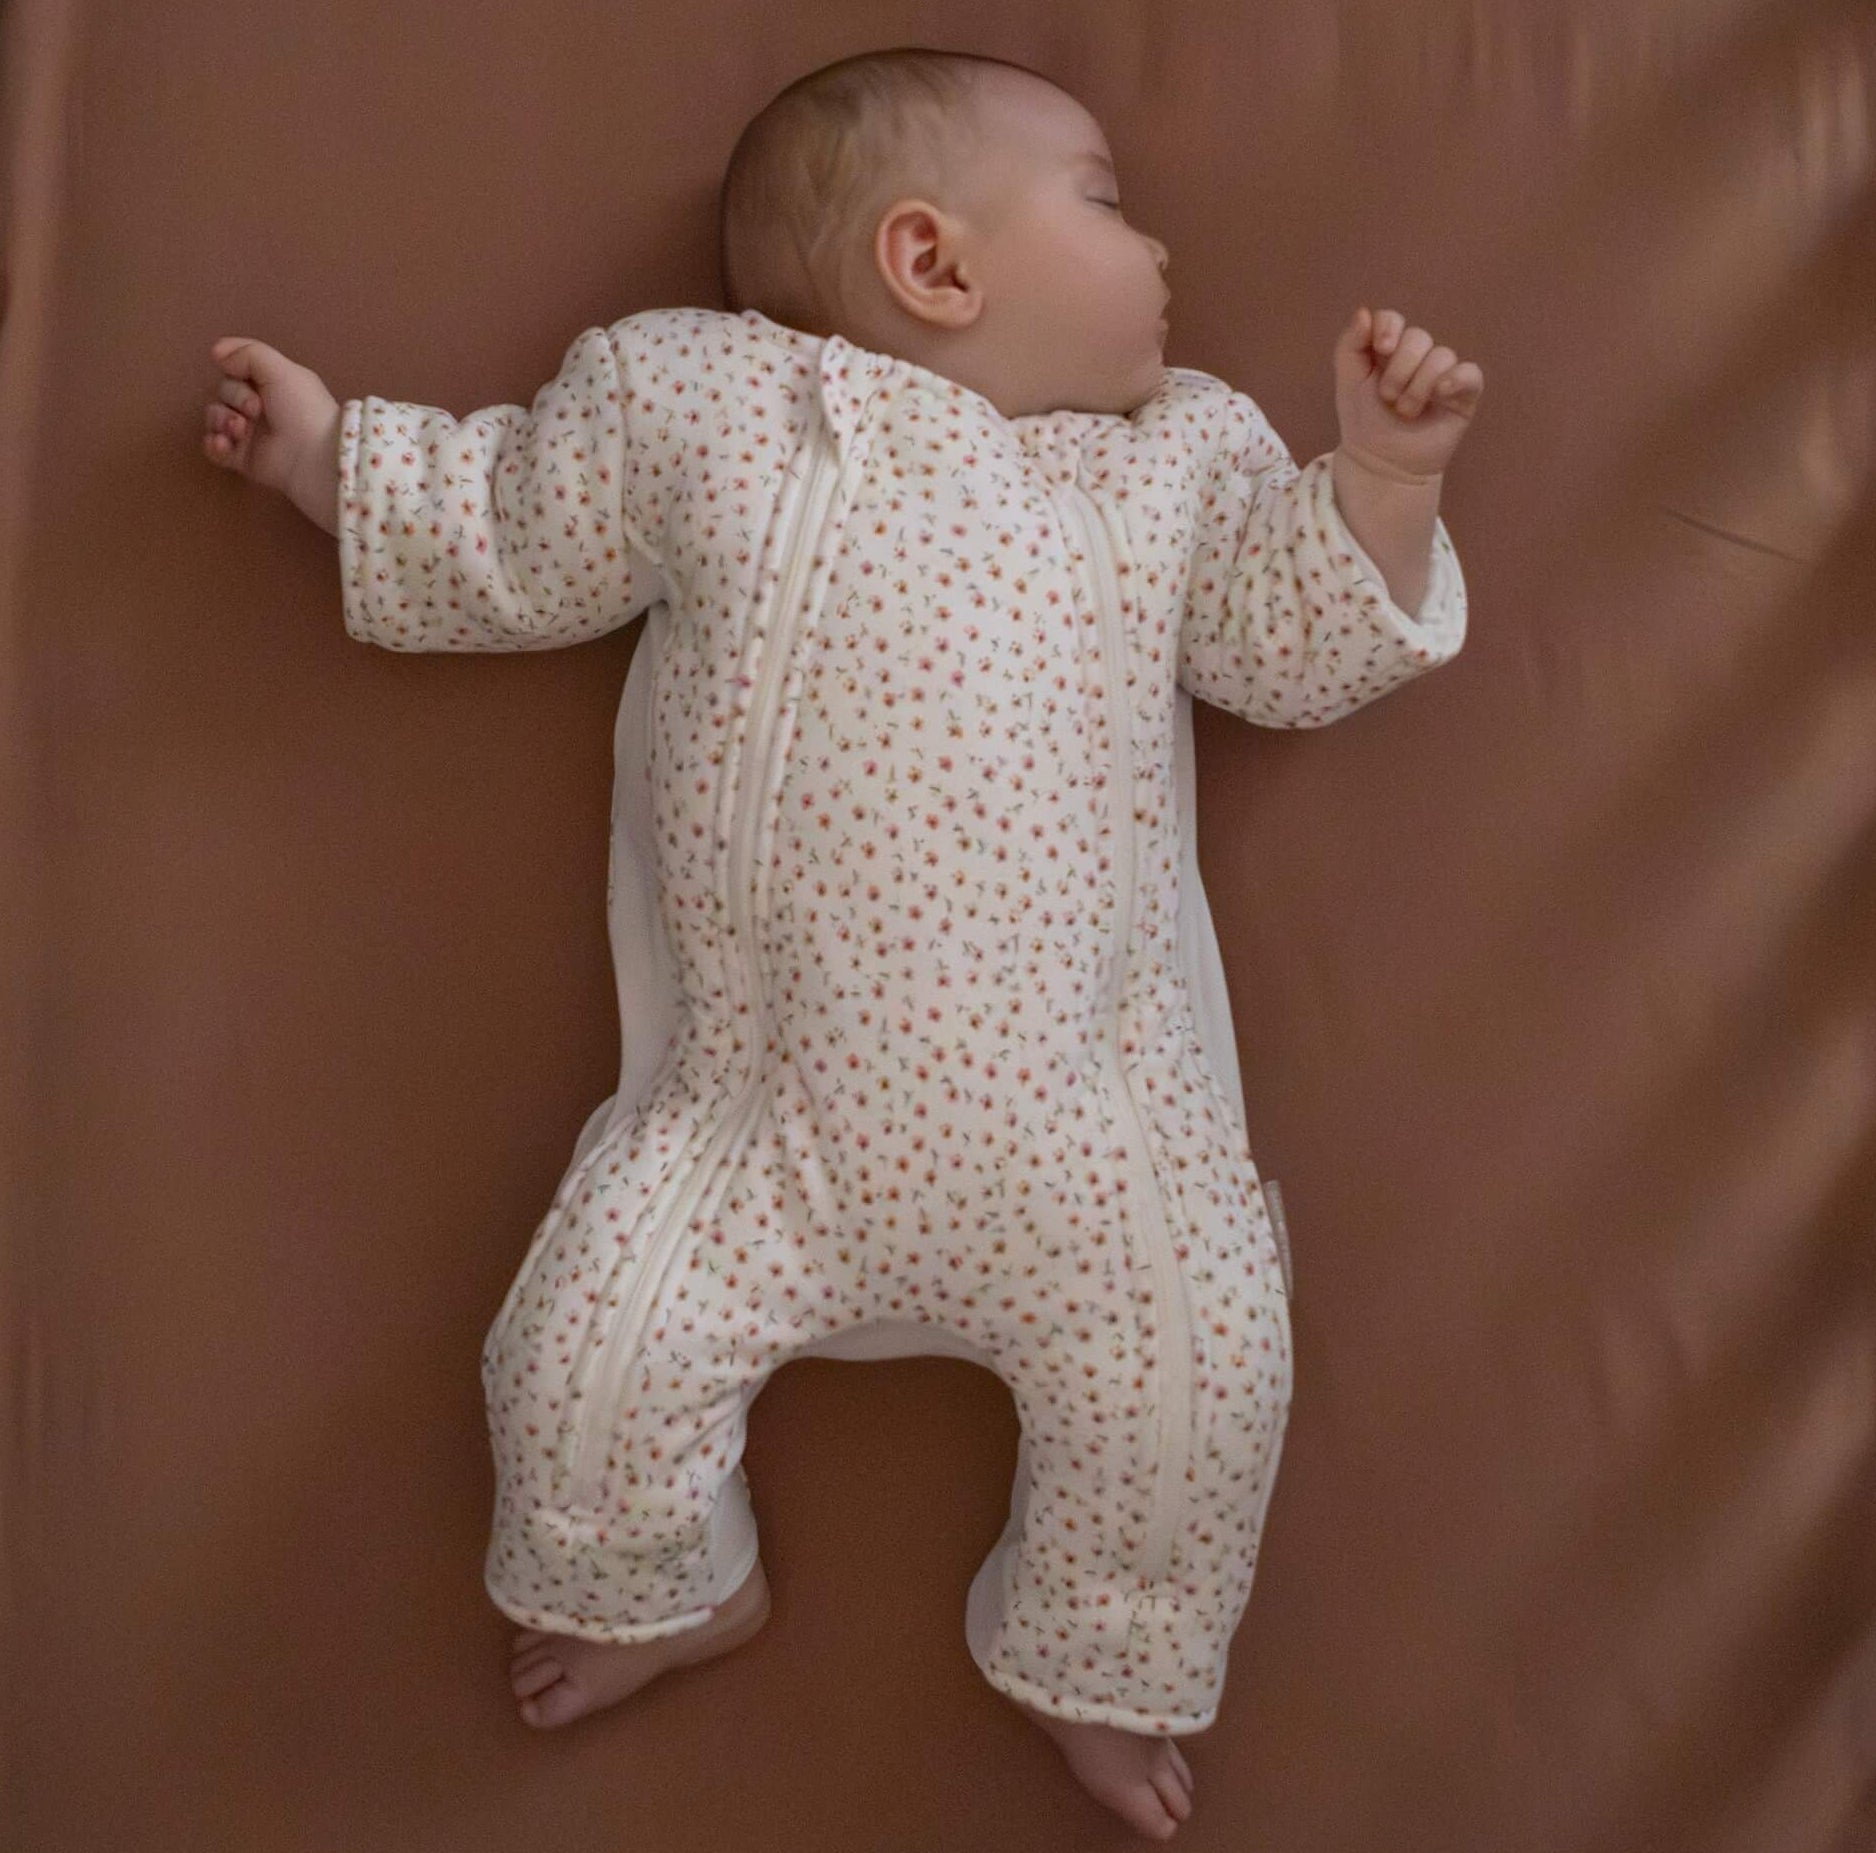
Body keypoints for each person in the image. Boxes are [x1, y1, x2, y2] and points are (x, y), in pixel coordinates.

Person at [200, 46, 1482, 1842]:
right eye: (1110, 204)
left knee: (1211, 1370)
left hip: (1095, 1143)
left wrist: (1387, 475)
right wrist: (340, 461)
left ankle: (1096, 1655)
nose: (1166, 249)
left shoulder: (1172, 460)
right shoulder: (708, 405)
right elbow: (514, 526)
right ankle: (677, 1583)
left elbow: (1287, 645)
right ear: (932, 265)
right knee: (570, 1362)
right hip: (750, 1138)